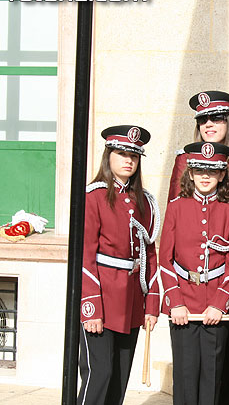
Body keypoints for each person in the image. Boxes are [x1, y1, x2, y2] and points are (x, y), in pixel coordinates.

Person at [159, 142, 229, 405]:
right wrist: (176, 301)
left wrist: (220, 304)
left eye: (212, 170)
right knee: (185, 377)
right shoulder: (176, 206)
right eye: (199, 170)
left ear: (221, 174)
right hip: (183, 304)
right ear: (191, 173)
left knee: (214, 377)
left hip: (216, 308)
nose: (205, 176)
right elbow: (165, 258)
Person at [79, 125, 160, 405]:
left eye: (134, 156)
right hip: (101, 296)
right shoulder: (94, 196)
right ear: (108, 156)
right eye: (122, 154)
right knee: (99, 373)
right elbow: (84, 256)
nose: (129, 160)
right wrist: (91, 307)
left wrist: (152, 304)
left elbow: (150, 256)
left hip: (132, 300)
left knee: (120, 377)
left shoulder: (145, 202)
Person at [168, 90, 229, 202]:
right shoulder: (184, 159)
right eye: (202, 120)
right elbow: (175, 208)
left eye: (216, 117)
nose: (209, 124)